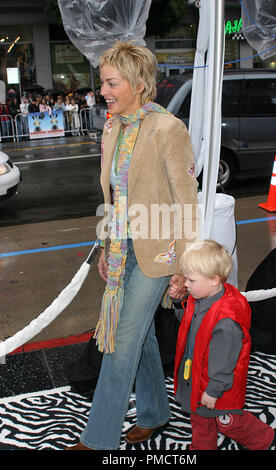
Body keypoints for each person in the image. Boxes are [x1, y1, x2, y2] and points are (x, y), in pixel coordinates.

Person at [66, 40, 199, 450]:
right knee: (141, 337)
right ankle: (156, 414)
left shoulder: (168, 129)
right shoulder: (113, 127)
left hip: (160, 255)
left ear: (139, 83)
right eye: (102, 82)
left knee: (122, 343)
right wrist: (108, 245)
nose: (102, 91)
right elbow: (114, 197)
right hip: (124, 248)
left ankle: (98, 441)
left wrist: (186, 266)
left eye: (111, 82)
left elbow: (187, 203)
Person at [169, 239, 275, 450]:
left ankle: (263, 439)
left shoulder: (226, 322)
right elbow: (189, 323)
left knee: (229, 423)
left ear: (214, 280)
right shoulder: (200, 298)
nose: (186, 284)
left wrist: (213, 390)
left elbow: (224, 363)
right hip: (198, 378)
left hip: (215, 387)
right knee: (201, 422)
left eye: (191, 279)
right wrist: (176, 303)